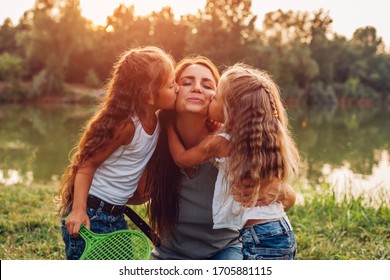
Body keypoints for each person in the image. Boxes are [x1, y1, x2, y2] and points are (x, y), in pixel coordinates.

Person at [139, 56, 296, 259]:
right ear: (171, 92)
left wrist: (271, 190)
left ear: (227, 102)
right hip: (170, 253)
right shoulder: (155, 139)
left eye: (208, 86)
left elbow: (288, 197)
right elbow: (130, 194)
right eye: (186, 82)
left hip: (225, 250)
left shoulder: (235, 145)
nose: (197, 88)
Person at [55, 46, 178, 260]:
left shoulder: (157, 120)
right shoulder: (127, 125)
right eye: (171, 85)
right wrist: (78, 210)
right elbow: (86, 165)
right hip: (92, 214)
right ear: (149, 95)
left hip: (115, 215)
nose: (177, 88)